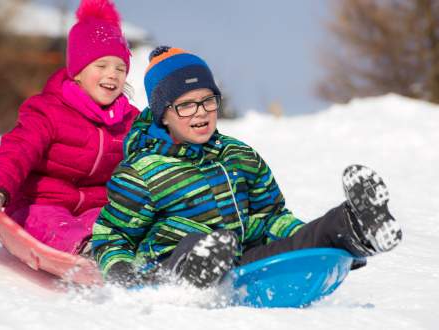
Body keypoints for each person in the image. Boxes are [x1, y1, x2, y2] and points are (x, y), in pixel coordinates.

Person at [92, 46, 402, 288]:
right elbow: (112, 236)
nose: (200, 113)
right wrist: (122, 275)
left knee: (300, 240)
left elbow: (271, 216)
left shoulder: (239, 155)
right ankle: (192, 273)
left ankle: (355, 227)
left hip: (240, 263)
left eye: (207, 100)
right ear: (163, 114)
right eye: (185, 105)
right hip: (167, 270)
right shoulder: (142, 171)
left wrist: (305, 238)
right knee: (198, 245)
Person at [0, 0, 139, 255]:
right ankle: (87, 249)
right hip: (39, 203)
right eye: (101, 65)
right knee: (51, 222)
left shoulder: (129, 121)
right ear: (77, 72)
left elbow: (153, 155)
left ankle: (116, 252)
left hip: (95, 208)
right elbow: (19, 149)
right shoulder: (47, 110)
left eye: (120, 68)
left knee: (113, 222)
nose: (113, 74)